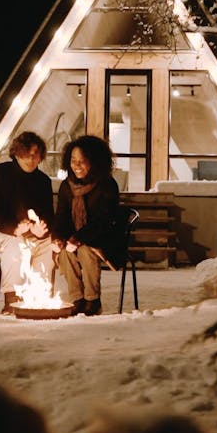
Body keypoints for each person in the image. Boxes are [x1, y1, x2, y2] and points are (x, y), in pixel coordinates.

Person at [0, 131, 55, 314]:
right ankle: (12, 299)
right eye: (26, 153)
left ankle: (37, 297)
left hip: (26, 234)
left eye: (36, 154)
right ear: (17, 153)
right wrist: (14, 228)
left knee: (48, 244)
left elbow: (48, 214)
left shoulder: (43, 181)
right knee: (16, 243)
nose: (31, 158)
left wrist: (41, 228)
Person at [52, 135, 124, 316]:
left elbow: (104, 220)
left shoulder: (107, 185)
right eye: (73, 160)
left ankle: (93, 299)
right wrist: (59, 238)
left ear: (95, 162)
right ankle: (78, 299)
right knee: (64, 253)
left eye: (82, 161)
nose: (76, 166)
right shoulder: (66, 186)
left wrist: (79, 238)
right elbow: (61, 216)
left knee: (85, 250)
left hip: (103, 239)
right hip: (74, 238)